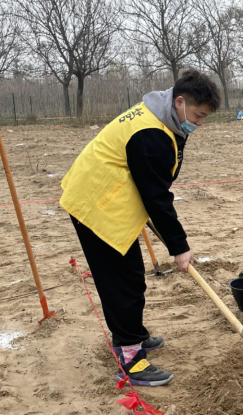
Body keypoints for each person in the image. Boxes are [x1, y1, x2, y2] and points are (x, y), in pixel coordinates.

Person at [60, 69, 221, 386]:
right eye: (199, 115)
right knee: (123, 283)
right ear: (179, 102)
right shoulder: (151, 134)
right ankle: (131, 358)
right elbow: (157, 196)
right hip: (97, 204)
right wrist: (179, 246)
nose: (200, 123)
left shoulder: (163, 116)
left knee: (129, 278)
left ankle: (133, 335)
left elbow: (151, 180)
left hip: (108, 196)